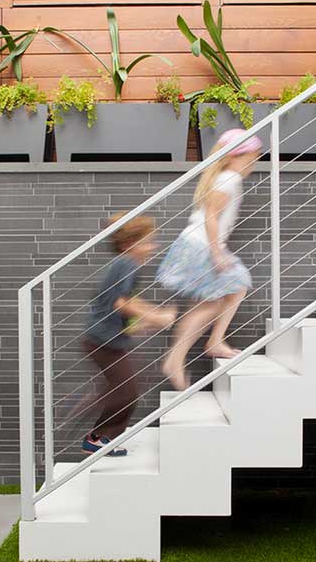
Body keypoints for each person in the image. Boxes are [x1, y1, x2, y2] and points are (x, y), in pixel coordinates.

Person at [157, 128, 262, 390]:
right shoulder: (228, 180)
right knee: (226, 292)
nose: (253, 161)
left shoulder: (227, 178)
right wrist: (216, 251)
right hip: (200, 246)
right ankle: (181, 357)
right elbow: (211, 216)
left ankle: (207, 344)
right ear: (233, 157)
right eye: (250, 156)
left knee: (226, 293)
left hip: (198, 245)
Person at [81, 213, 177, 457]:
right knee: (127, 392)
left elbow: (124, 301)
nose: (152, 247)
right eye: (147, 241)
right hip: (103, 341)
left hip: (104, 339)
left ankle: (102, 430)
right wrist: (157, 317)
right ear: (128, 244)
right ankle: (98, 438)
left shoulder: (122, 264)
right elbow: (121, 303)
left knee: (124, 388)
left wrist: (150, 315)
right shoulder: (127, 264)